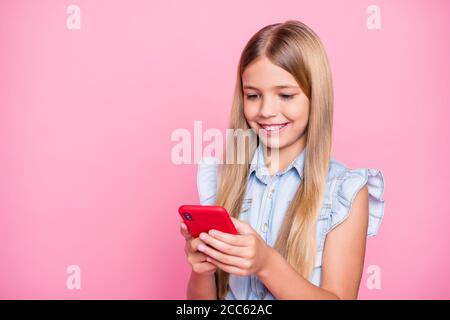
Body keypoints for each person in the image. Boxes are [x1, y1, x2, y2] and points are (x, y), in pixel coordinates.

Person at [180, 20, 385, 300]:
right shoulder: (223, 178)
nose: (266, 110)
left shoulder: (344, 190)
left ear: (316, 97)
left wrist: (266, 264)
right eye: (253, 95)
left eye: (286, 95)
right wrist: (202, 270)